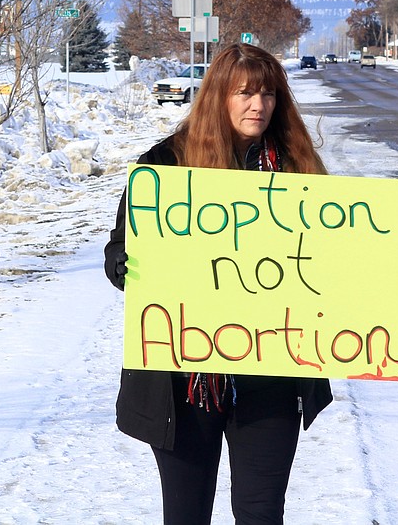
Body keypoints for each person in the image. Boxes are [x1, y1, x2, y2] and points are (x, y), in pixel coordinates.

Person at [104, 43, 333, 525]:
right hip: (185, 379)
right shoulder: (165, 165)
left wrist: (382, 282)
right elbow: (119, 251)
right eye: (246, 93)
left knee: (261, 513)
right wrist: (125, 261)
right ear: (218, 98)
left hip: (272, 369)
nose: (259, 105)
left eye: (269, 94)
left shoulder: (297, 167)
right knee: (186, 516)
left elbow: (331, 257)